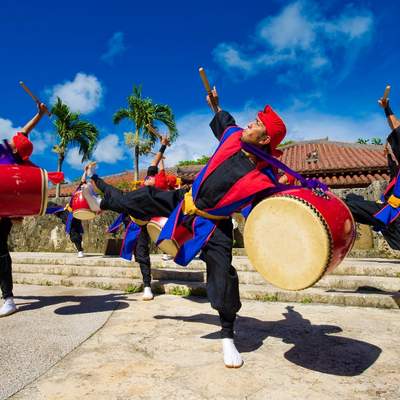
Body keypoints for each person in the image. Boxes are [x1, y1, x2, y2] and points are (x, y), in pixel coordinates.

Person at [82, 89, 286, 368]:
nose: (251, 123)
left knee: (223, 275)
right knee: (145, 196)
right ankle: (100, 204)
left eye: (258, 124)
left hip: (215, 224)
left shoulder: (265, 176)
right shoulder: (233, 137)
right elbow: (224, 120)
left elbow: (271, 210)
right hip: (185, 200)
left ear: (265, 139)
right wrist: (216, 105)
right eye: (254, 119)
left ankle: (228, 336)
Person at [107, 136, 173, 300]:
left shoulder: (161, 187)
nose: (148, 178)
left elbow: (159, 166)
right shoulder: (149, 181)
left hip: (153, 221)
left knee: (147, 249)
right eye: (148, 177)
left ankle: (148, 282)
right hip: (137, 221)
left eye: (151, 177)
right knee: (141, 252)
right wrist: (163, 146)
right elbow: (155, 162)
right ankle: (147, 284)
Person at [0, 102, 50, 317]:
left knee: (0, 252)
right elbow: (25, 130)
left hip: (2, 214)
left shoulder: (14, 164)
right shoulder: (8, 147)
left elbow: (13, 193)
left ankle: (9, 299)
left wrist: (13, 214)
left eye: (14, 142)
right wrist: (40, 114)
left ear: (16, 151)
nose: (12, 139)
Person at [344, 94, 400, 249]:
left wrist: (386, 108)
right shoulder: (396, 172)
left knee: (348, 205)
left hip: (394, 216)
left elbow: (396, 126)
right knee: (351, 198)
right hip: (389, 212)